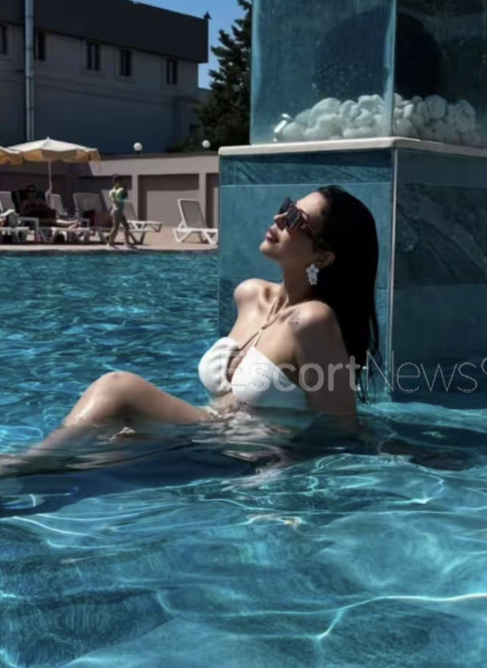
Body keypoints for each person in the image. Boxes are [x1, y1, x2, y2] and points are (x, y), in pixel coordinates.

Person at [0, 187, 379, 474]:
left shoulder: (312, 320)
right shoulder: (250, 296)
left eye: (296, 219)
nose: (280, 218)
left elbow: (340, 425)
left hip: (249, 457)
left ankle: (20, 465)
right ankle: (24, 471)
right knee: (96, 454)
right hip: (204, 433)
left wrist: (294, 478)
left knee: (117, 389)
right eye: (287, 207)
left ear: (323, 257)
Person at [106, 176, 137, 249]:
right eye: (119, 182)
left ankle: (115, 241)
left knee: (124, 226)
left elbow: (124, 198)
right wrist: (122, 193)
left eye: (121, 182)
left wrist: (125, 191)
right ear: (115, 183)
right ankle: (111, 243)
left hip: (118, 211)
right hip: (116, 211)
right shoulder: (113, 191)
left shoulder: (119, 190)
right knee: (118, 227)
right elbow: (118, 199)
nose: (121, 183)